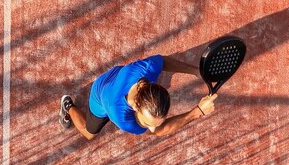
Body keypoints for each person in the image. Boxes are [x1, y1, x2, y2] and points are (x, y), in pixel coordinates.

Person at [59, 55, 217, 139]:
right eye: (148, 123)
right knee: (89, 133)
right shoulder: (121, 117)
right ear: (135, 107)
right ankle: (68, 107)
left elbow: (163, 61)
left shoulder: (149, 68)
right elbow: (158, 131)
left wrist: (197, 71)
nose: (152, 127)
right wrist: (198, 112)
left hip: (116, 78)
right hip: (100, 96)